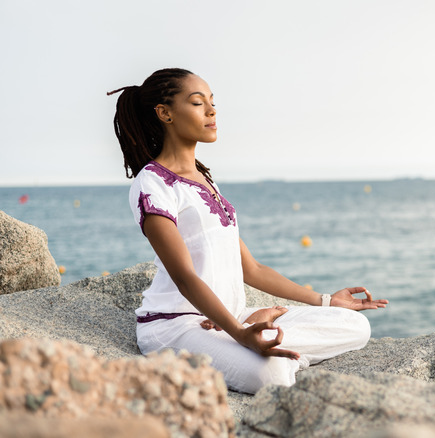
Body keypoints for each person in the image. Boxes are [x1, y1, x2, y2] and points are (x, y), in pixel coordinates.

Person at [108, 68, 388, 394]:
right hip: (177, 325)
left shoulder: (205, 179)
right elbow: (185, 278)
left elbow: (251, 268)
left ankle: (260, 339)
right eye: (198, 103)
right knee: (271, 376)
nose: (212, 111)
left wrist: (326, 301)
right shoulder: (152, 184)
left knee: (356, 325)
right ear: (165, 113)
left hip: (232, 317)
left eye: (212, 102)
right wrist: (240, 333)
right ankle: (261, 347)